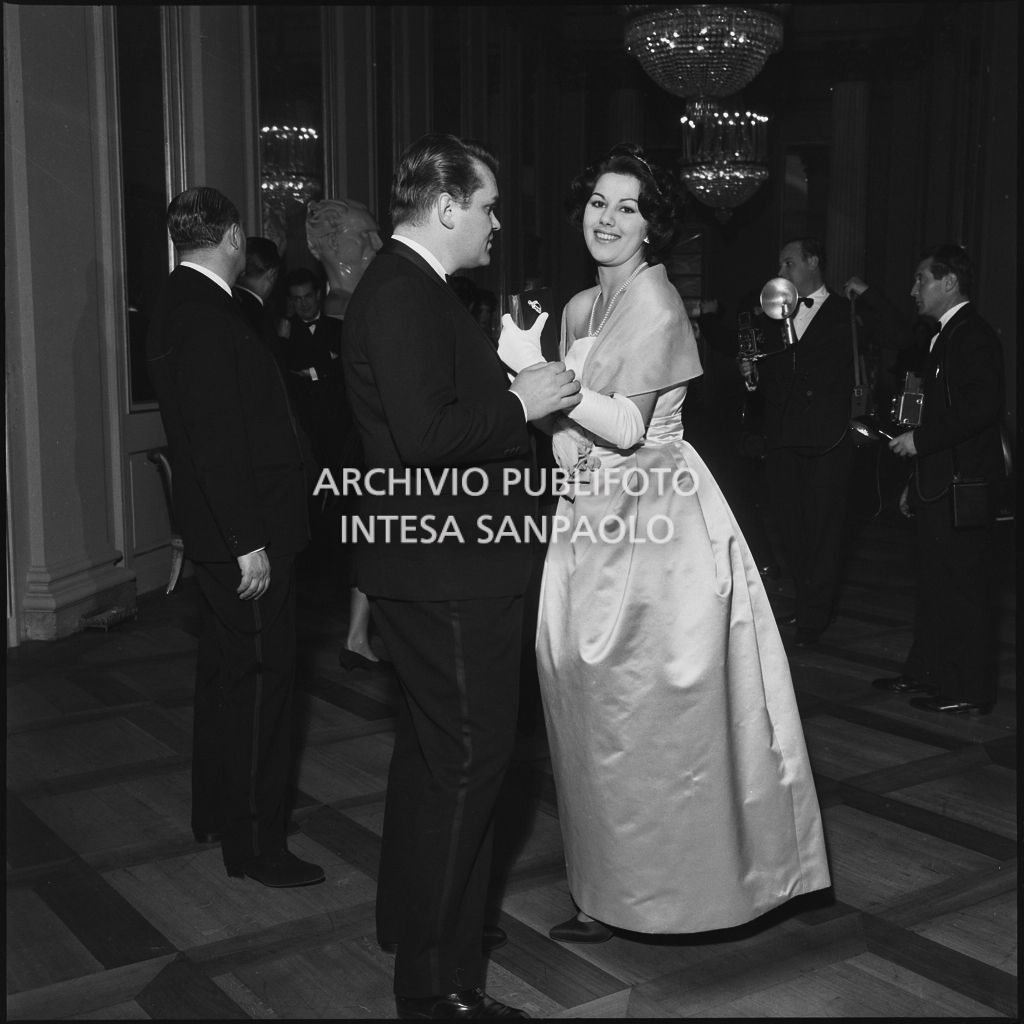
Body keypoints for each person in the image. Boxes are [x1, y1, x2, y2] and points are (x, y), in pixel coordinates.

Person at [498, 143, 830, 943]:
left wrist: (528, 377)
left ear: (652, 227)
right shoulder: (580, 306)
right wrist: (552, 434)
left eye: (628, 207)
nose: (607, 219)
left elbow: (628, 425)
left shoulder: (658, 305)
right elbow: (568, 429)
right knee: (587, 705)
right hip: (589, 517)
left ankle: (672, 892)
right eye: (598, 203)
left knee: (649, 710)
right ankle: (605, 888)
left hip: (656, 517)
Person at [341, 132, 582, 1019]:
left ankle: (419, 927)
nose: (496, 223)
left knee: (437, 759)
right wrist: (526, 401)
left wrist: (508, 374)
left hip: (442, 565)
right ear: (446, 208)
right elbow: (429, 437)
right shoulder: (405, 293)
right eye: (485, 206)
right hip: (449, 571)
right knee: (472, 763)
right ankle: (436, 987)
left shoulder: (415, 291)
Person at [146, 187, 323, 888]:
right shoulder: (208, 314)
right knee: (260, 682)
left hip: (225, 528)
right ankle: (256, 845)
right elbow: (216, 438)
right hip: (246, 534)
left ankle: (223, 811)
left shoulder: (180, 302)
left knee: (227, 676)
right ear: (229, 238)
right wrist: (248, 538)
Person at [844, 246, 1005, 714]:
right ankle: (928, 673)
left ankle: (966, 691)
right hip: (939, 482)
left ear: (949, 283)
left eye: (921, 280)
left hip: (963, 487)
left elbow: (982, 407)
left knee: (963, 589)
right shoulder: (942, 335)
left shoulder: (972, 335)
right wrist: (913, 479)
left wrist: (921, 441)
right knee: (935, 585)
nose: (913, 289)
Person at [753, 238, 855, 645]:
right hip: (783, 438)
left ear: (814, 262)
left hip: (828, 439)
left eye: (789, 261)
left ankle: (818, 612)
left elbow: (896, 335)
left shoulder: (846, 312)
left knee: (824, 528)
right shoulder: (775, 312)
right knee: (790, 526)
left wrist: (867, 294)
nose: (782, 269)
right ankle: (807, 599)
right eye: (780, 262)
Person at [306, 199, 387, 670]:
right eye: (366, 235)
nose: (377, 244)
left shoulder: (364, 304)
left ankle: (359, 635)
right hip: (351, 452)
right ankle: (359, 636)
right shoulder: (338, 314)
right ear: (336, 245)